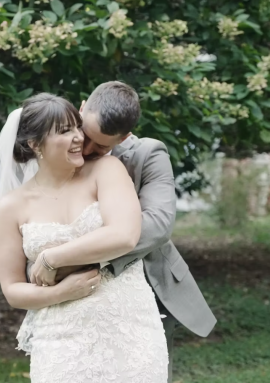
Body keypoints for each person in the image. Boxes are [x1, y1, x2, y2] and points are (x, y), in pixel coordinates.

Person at [0, 93, 168, 382]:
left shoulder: (106, 170)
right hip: (60, 337)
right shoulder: (10, 207)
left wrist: (50, 258)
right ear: (35, 144)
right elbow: (12, 291)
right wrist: (60, 293)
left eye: (76, 127)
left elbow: (124, 235)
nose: (78, 138)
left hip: (129, 327)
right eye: (64, 131)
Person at [52, 81, 216, 382]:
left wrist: (78, 258)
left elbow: (157, 226)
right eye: (85, 135)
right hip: (70, 295)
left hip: (145, 287)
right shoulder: (59, 147)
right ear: (83, 105)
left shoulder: (149, 154)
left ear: (124, 137)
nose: (85, 149)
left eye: (100, 146)